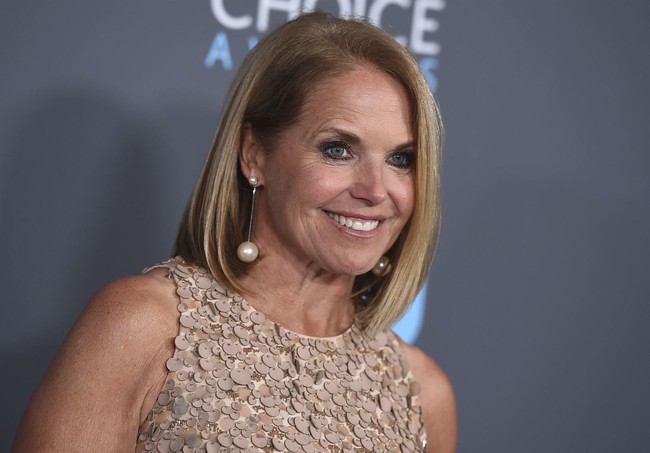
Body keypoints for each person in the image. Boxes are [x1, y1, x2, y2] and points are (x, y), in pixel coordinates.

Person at [13, 11, 456, 453]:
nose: (375, 190)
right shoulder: (143, 327)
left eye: (401, 159)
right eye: (338, 150)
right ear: (253, 154)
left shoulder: (422, 393)